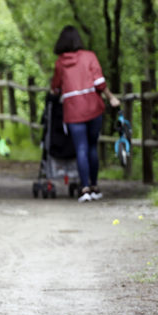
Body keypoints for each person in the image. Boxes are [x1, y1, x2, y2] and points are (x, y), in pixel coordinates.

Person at [50, 25, 120, 202]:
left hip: (73, 109)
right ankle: (95, 186)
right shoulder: (89, 57)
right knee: (91, 147)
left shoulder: (60, 63)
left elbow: (55, 87)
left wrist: (58, 92)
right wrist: (111, 98)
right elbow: (99, 82)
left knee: (80, 147)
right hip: (92, 106)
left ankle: (85, 188)